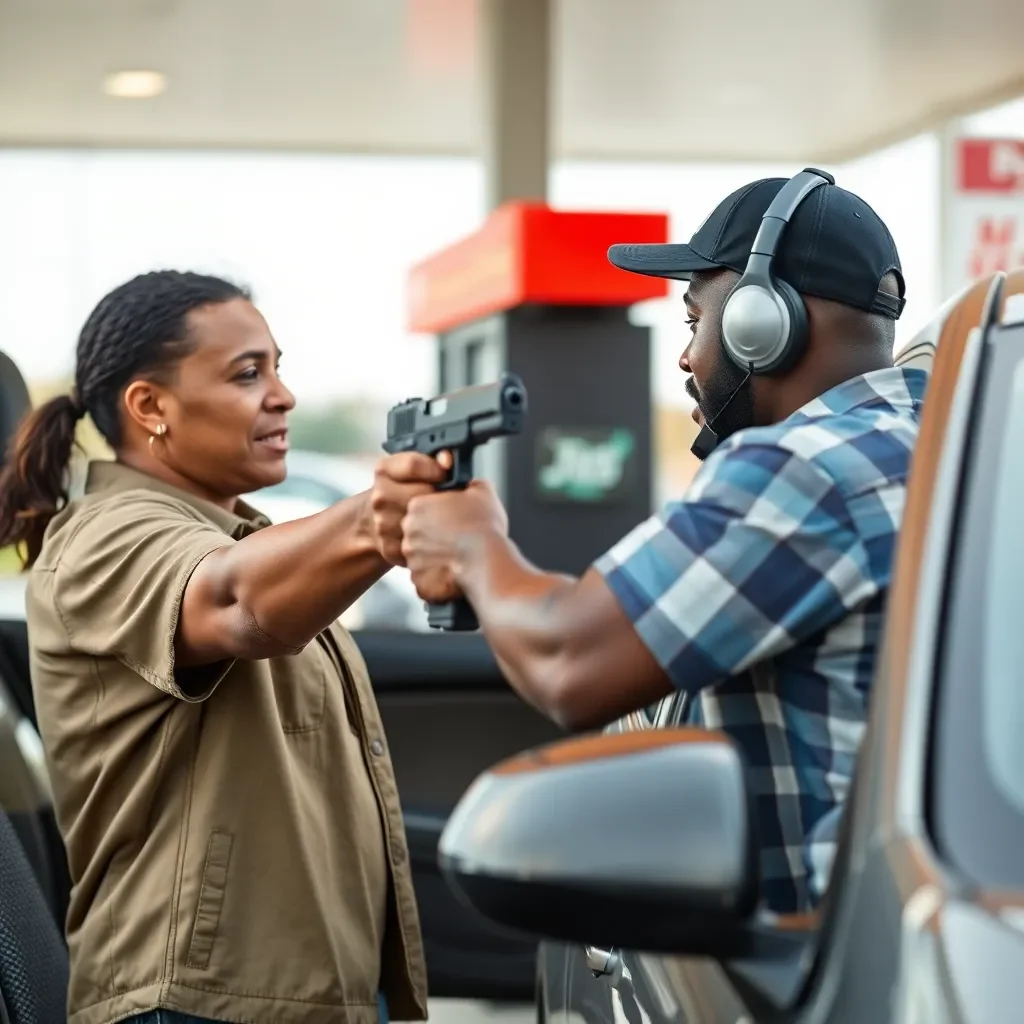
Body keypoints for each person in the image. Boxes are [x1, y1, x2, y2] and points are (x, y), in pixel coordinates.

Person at [376, 171, 929, 915]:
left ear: (762, 324)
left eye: (694, 320)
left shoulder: (802, 470)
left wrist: (473, 545)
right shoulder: (953, 440)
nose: (686, 357)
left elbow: (569, 662)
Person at [0, 271, 433, 1024]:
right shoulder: (104, 534)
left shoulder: (248, 537)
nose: (283, 395)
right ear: (149, 407)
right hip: (189, 1005)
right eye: (247, 373)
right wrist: (386, 517)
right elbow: (235, 603)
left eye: (277, 366)